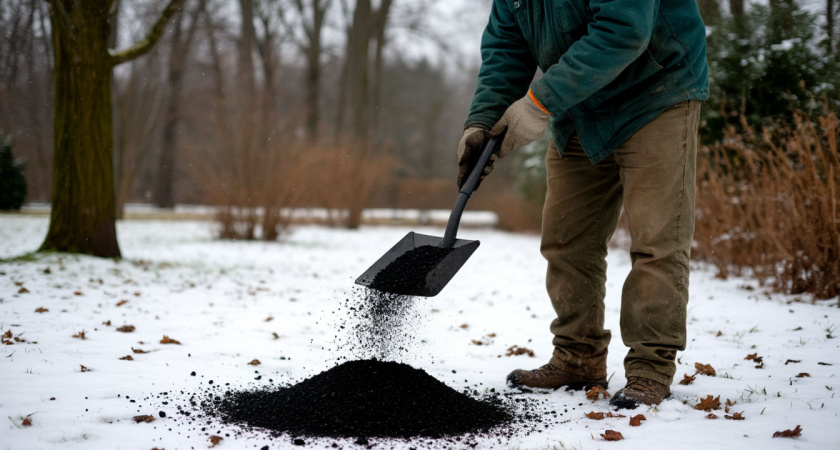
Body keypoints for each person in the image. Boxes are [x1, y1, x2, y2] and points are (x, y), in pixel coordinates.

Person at [456, 0, 709, 409]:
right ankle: (578, 357)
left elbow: (624, 28)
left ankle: (650, 369)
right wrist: (481, 123)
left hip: (655, 92)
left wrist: (538, 103)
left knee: (656, 241)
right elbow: (506, 49)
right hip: (580, 105)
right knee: (567, 240)